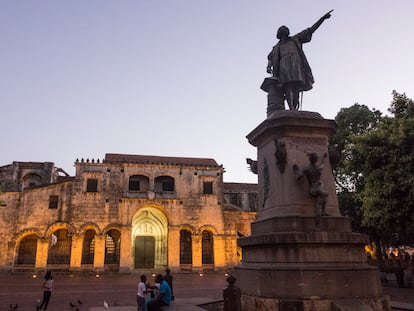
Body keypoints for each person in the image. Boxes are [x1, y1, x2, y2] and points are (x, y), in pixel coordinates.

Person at [266, 10, 333, 110]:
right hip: (284, 65)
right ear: (279, 33)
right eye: (282, 29)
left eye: (285, 28)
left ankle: (295, 108)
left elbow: (310, 30)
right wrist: (268, 66)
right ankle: (291, 107)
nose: (284, 29)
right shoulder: (276, 47)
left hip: (296, 63)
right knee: (288, 86)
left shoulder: (295, 39)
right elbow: (270, 57)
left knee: (296, 86)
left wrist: (322, 19)